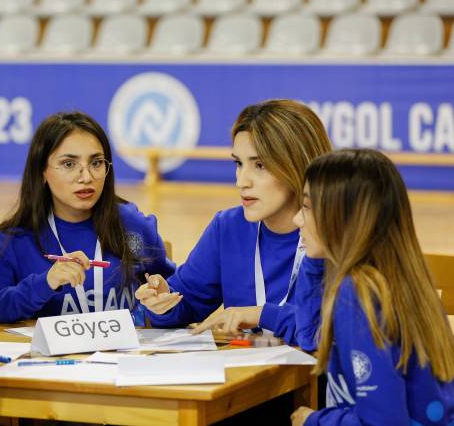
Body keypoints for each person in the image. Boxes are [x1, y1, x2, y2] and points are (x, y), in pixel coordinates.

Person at [137, 99, 332, 344]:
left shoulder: (339, 232)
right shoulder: (228, 227)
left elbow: (330, 328)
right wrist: (162, 301)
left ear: (298, 164)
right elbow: (185, 304)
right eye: (239, 163)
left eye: (259, 165)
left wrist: (261, 315)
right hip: (249, 367)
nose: (241, 181)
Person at [290, 149, 454, 426]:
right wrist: (318, 254)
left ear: (344, 219)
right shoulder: (398, 278)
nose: (297, 219)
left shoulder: (357, 294)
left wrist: (314, 421)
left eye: (306, 207)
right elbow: (309, 336)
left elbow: (383, 422)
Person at [0, 111, 174, 330]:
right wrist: (45, 283)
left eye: (96, 162)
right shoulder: (12, 241)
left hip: (126, 352)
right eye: (69, 164)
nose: (86, 177)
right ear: (42, 171)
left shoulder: (134, 224)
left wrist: (163, 298)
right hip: (45, 354)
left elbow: (175, 293)